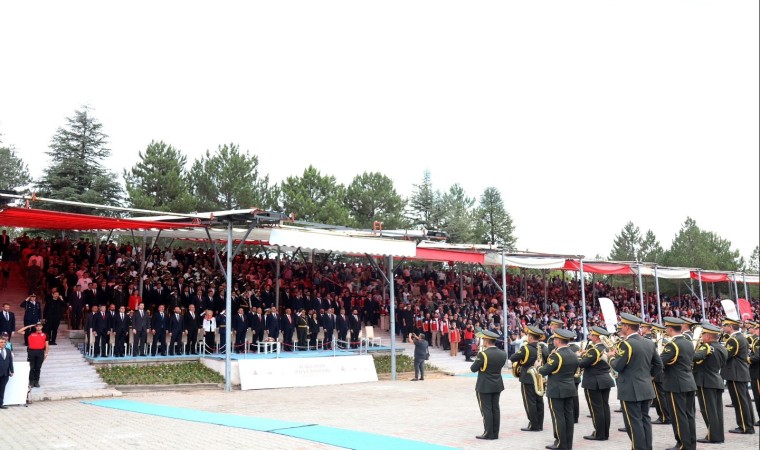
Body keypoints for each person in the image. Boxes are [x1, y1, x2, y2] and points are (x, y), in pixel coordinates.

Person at [607, 312, 663, 450]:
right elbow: (659, 365)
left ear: (627, 327)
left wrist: (611, 357)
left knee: (633, 423)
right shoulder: (649, 343)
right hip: (645, 386)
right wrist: (649, 377)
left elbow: (618, 366)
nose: (621, 328)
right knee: (645, 420)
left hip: (630, 389)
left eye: (622, 325)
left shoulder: (627, 344)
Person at [538, 328, 579, 450]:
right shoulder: (573, 354)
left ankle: (560, 443)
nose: (554, 341)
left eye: (555, 339)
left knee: (558, 417)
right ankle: (568, 443)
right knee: (568, 417)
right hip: (569, 388)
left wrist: (538, 366)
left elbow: (544, 370)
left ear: (559, 340)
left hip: (556, 389)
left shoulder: (556, 355)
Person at [660, 317, 697, 450]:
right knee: (689, 415)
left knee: (678, 416)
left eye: (666, 328)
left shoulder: (672, 345)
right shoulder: (688, 342)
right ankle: (691, 444)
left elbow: (660, 362)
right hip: (689, 382)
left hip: (676, 384)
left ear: (670, 329)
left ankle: (682, 444)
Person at [578, 326, 615, 441]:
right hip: (605, 380)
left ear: (597, 337)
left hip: (594, 382)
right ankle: (605, 432)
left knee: (596, 409)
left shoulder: (594, 350)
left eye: (591, 335)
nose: (590, 337)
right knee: (604, 407)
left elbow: (582, 364)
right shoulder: (606, 348)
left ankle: (599, 433)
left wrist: (578, 356)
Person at [693, 323, 727, 444]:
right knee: (717, 411)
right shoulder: (722, 348)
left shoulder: (707, 347)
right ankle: (718, 435)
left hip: (705, 381)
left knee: (708, 410)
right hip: (716, 379)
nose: (701, 337)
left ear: (708, 336)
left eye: (703, 334)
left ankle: (713, 436)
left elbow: (694, 357)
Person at [470, 329, 507, 440]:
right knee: (495, 408)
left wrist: (479, 356)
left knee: (486, 409)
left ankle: (488, 433)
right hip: (497, 384)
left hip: (485, 385)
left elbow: (473, 369)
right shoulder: (503, 353)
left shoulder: (483, 354)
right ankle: (495, 433)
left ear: (486, 341)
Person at [720, 317, 754, 434]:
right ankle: (748, 424)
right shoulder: (740, 337)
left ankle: (745, 426)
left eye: (725, 325)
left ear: (730, 327)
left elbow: (726, 355)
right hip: (739, 373)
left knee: (740, 401)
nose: (723, 327)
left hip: (735, 373)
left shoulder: (733, 340)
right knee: (744, 400)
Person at [510, 325, 546, 432]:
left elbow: (513, 358)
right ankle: (540, 424)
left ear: (530, 337)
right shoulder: (542, 347)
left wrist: (521, 362)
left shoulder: (526, 348)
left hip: (528, 377)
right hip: (539, 377)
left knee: (530, 402)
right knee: (539, 401)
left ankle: (534, 425)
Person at [650, 322, 671, 425]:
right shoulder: (665, 341)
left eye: (653, 330)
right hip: (663, 372)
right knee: (662, 395)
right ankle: (666, 415)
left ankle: (664, 416)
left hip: (658, 372)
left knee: (660, 396)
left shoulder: (659, 342)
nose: (651, 331)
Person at [18, 322, 48, 388]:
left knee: (38, 367)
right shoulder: (30, 333)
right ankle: (31, 381)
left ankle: (36, 381)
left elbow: (47, 344)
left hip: (40, 352)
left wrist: (46, 353)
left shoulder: (45, 334)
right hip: (31, 352)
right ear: (35, 327)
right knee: (31, 367)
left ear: (42, 327)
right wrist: (28, 326)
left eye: (40, 326)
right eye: (37, 326)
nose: (38, 327)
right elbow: (19, 331)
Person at [747, 321, 760, 427]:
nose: (755, 330)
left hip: (757, 373)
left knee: (758, 397)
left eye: (757, 328)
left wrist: (746, 359)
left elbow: (757, 357)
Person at [0, 334, 13, 409]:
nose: (3, 344)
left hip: (5, 374)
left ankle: (0, 403)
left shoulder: (8, 350)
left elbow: (10, 361)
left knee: (2, 389)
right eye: (1, 342)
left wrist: (12, 370)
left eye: (4, 342)